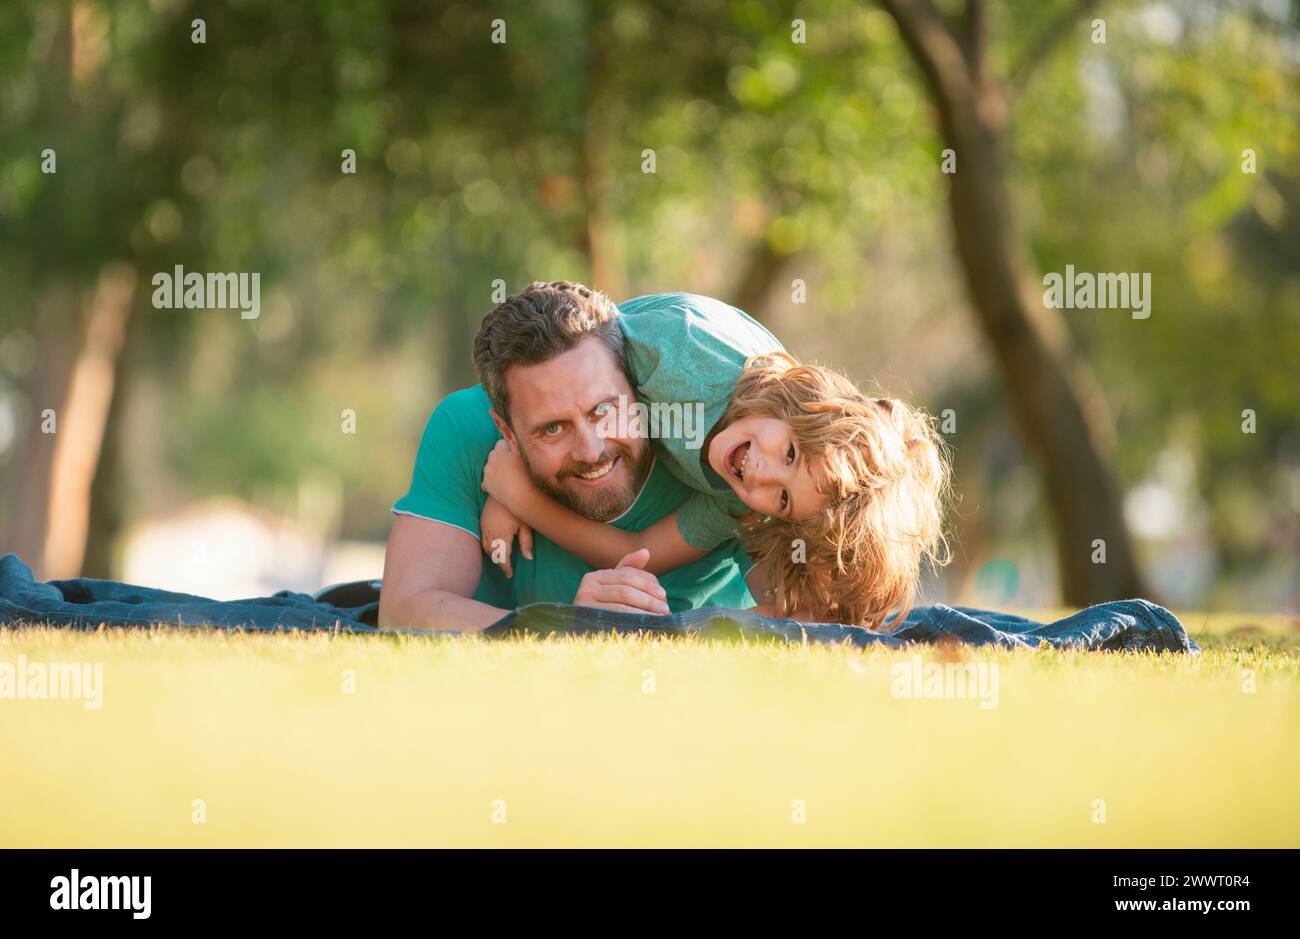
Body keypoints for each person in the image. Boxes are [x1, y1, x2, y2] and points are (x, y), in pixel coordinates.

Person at [478, 290, 950, 628]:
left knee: (807, 611)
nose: (761, 475)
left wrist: (521, 499)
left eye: (783, 499)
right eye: (788, 452)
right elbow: (571, 354)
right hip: (587, 332)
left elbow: (637, 552)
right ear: (794, 404)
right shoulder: (683, 357)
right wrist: (515, 472)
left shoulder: (735, 499)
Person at [378, 281, 755, 632]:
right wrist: (565, 626)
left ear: (636, 384)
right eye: (553, 429)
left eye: (604, 410)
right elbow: (403, 610)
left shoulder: (730, 446)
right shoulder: (467, 427)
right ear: (507, 432)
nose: (591, 451)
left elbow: (804, 615)